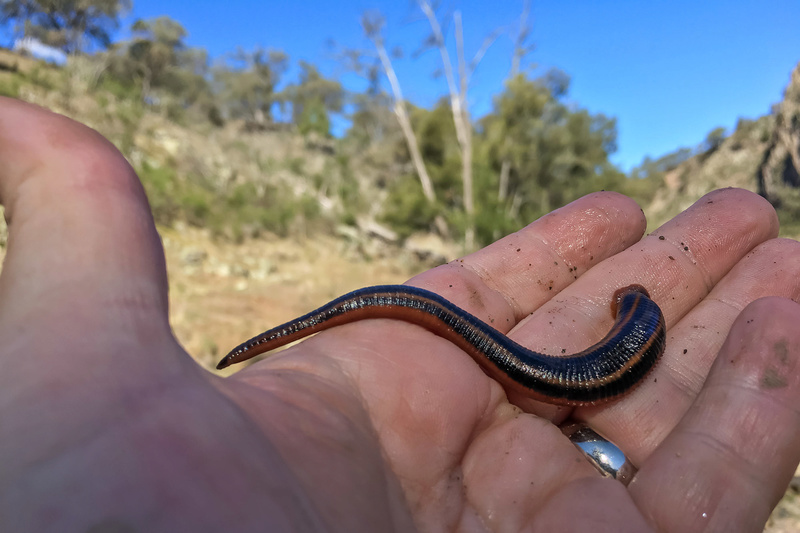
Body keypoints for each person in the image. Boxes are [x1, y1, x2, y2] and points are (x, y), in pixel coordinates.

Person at [1, 95, 799, 533]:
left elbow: (629, 328)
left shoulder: (634, 322)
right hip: (577, 376)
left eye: (629, 303)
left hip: (584, 371)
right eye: (630, 301)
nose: (629, 302)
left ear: (629, 310)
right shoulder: (629, 326)